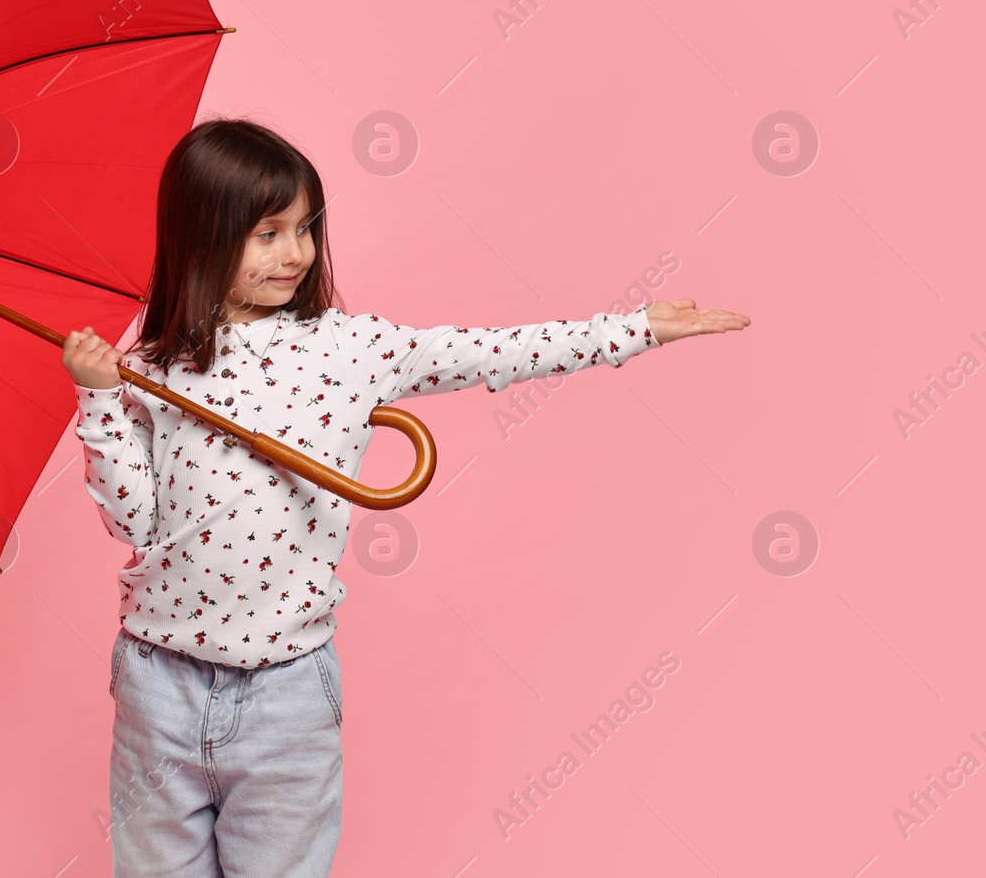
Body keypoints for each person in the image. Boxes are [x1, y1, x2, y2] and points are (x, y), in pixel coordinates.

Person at [61, 117, 748, 877]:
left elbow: (494, 350)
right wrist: (98, 399)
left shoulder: (353, 348)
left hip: (289, 690)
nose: (294, 254)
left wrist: (634, 328)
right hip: (161, 684)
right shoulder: (151, 370)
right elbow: (134, 521)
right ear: (202, 236)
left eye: (304, 229)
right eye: (266, 233)